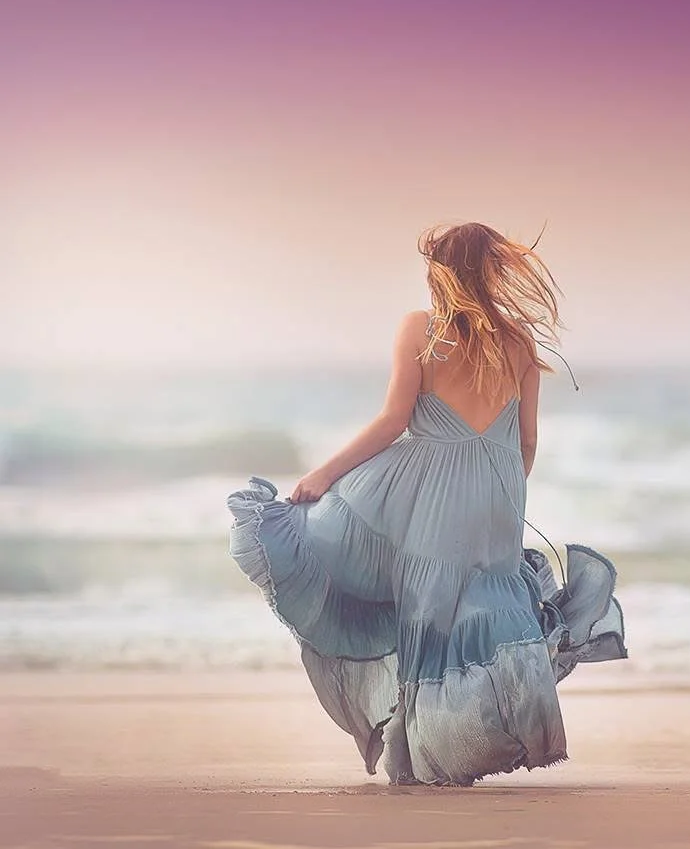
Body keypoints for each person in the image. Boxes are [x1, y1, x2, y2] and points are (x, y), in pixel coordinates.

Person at [226, 222, 626, 786]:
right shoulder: (519, 343)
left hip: (432, 492)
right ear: (492, 272)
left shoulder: (421, 329)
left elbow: (394, 421)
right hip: (498, 494)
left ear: (442, 273)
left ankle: (417, 753)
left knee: (427, 609)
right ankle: (478, 735)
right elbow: (527, 442)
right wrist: (497, 496)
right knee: (482, 608)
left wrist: (324, 474)